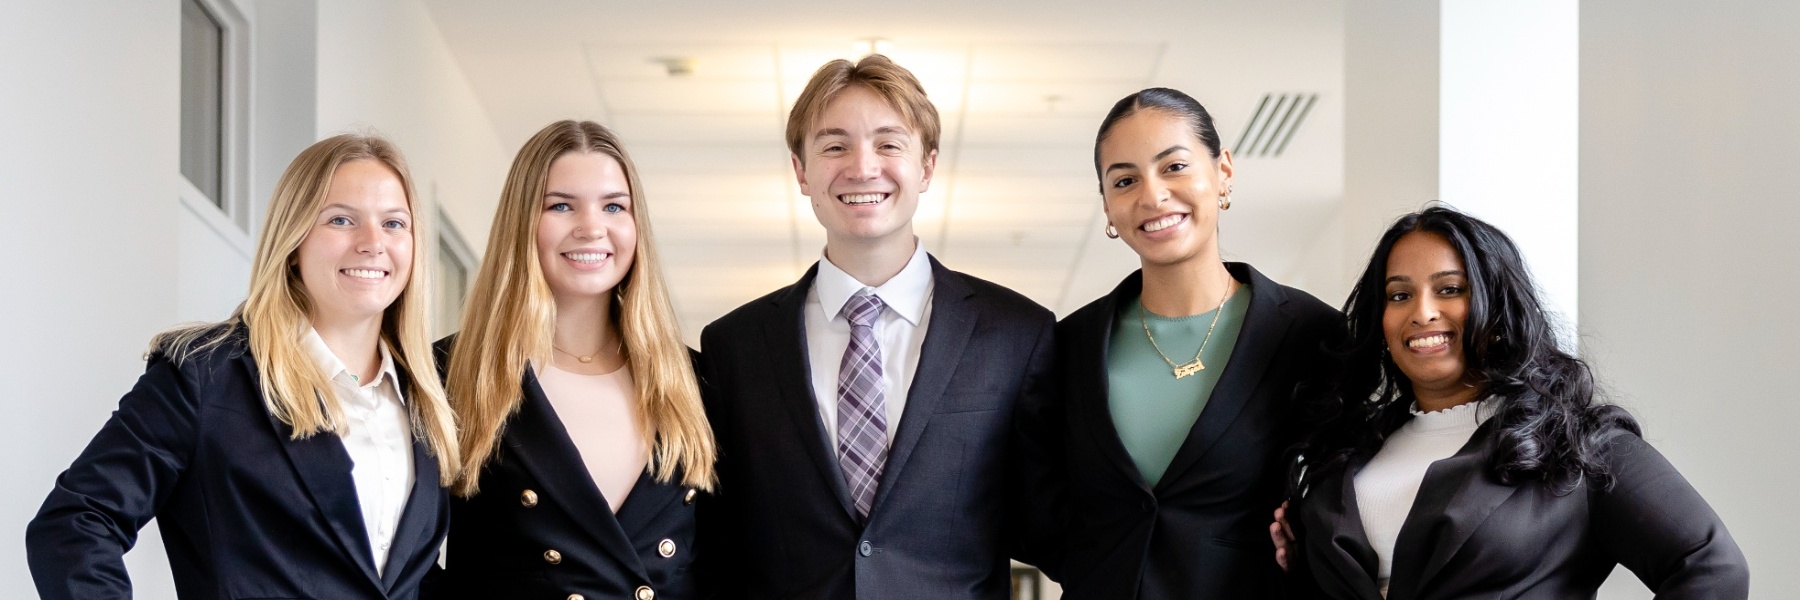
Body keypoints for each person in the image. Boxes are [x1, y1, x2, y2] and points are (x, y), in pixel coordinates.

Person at [26, 134, 459, 599]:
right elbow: (74, 524)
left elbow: (400, 579)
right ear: (294, 241)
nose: (373, 243)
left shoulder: (426, 400)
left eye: (394, 223)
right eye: (341, 219)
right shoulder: (206, 376)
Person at [697, 54, 1062, 599]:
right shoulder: (734, 347)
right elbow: (718, 542)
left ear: (928, 167)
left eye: (889, 144)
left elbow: (1054, 524)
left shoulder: (1015, 335)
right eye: (834, 145)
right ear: (801, 171)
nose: (863, 167)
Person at [1281, 206, 1749, 598]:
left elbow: (1710, 565)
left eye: (1450, 289)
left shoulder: (1577, 444)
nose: (1422, 312)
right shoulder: (1348, 455)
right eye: (1400, 294)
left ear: (1498, 309)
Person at [1051, 87, 1341, 599]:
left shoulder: (1313, 336)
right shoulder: (1068, 346)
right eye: (1124, 180)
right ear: (1107, 206)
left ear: (1223, 172)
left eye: (1174, 167)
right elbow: (1043, 508)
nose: (1152, 195)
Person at [431, 120, 715, 600]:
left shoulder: (694, 377)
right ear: (522, 223)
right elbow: (400, 556)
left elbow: (726, 558)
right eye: (561, 206)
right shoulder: (450, 372)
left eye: (613, 206)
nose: (591, 228)